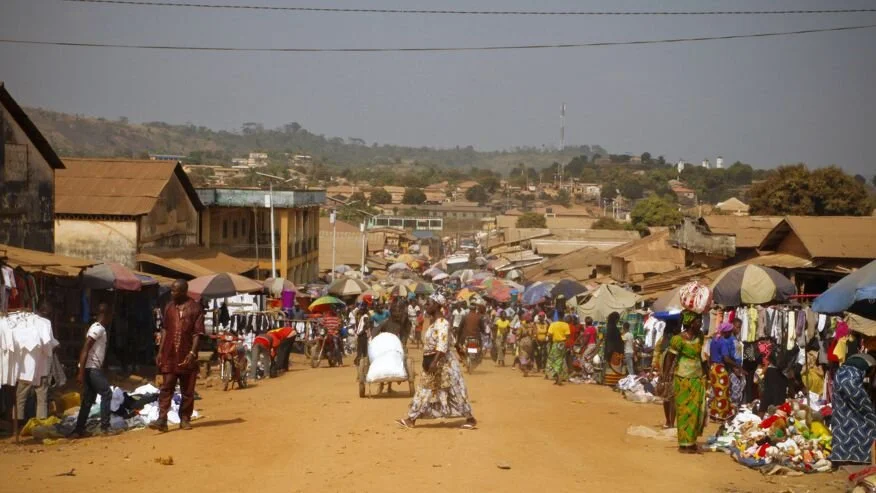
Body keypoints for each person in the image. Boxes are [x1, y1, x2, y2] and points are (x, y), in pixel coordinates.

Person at [397, 293, 477, 430]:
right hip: (432, 361)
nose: (426, 306)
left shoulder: (442, 324)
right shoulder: (434, 323)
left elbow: (443, 345)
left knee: (454, 390)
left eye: (429, 303)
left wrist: (434, 362)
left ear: (437, 306)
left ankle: (470, 418)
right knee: (425, 390)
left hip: (443, 365)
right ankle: (411, 418)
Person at [150, 279, 205, 432]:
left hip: (187, 354)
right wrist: (160, 352)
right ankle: (162, 419)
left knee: (187, 390)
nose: (172, 293)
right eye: (172, 290)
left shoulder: (195, 308)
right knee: (166, 387)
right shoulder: (169, 307)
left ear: (183, 291)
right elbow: (165, 330)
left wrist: (193, 353)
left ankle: (185, 419)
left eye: (175, 290)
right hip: (169, 354)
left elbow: (197, 333)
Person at [70, 303, 118, 437]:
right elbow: (86, 348)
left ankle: (79, 429)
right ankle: (105, 427)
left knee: (89, 398)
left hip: (90, 368)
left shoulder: (96, 328)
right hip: (91, 368)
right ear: (107, 315)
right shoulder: (98, 329)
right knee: (107, 393)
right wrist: (81, 372)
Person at [662, 311, 707, 453]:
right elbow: (669, 358)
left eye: (700, 320)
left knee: (696, 410)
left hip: (697, 378)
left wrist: (708, 373)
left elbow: (702, 357)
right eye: (697, 321)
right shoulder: (678, 339)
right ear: (689, 322)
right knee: (684, 410)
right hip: (682, 378)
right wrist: (665, 376)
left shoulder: (700, 337)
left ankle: (692, 442)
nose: (700, 323)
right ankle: (683, 444)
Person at [830, 353, 876, 464]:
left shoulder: (856, 358)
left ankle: (841, 455)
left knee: (841, 416)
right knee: (869, 419)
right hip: (850, 379)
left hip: (840, 375)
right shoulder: (871, 364)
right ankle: (862, 456)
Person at [16, 300, 56, 423]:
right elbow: (49, 345)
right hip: (42, 366)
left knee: (21, 397)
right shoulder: (46, 323)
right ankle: (40, 424)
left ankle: (18, 423)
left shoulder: (23, 322)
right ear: (45, 311)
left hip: (25, 366)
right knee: (41, 397)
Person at [709, 322, 745, 422]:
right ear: (728, 331)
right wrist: (739, 367)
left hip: (713, 368)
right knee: (723, 393)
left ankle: (714, 414)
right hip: (721, 369)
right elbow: (726, 358)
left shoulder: (714, 340)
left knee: (716, 392)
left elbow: (710, 356)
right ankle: (722, 416)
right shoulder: (724, 342)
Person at [653, 318, 680, 429]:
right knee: (672, 397)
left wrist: (657, 368)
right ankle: (671, 422)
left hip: (664, 371)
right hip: (672, 371)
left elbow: (656, 354)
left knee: (666, 397)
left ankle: (668, 421)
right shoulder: (677, 340)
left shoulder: (663, 340)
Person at [546, 315, 572, 385]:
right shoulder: (566, 325)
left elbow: (550, 335)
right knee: (560, 360)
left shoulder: (553, 324)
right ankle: (559, 377)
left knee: (552, 360)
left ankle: (558, 375)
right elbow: (568, 336)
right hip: (563, 344)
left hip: (555, 344)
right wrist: (568, 345)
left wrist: (549, 343)